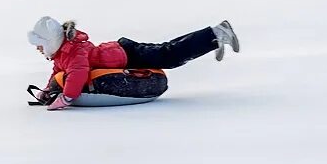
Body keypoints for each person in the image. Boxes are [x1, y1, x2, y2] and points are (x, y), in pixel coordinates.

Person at [27, 16, 239, 110]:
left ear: (51, 41)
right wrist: (47, 91)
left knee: (169, 55)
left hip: (129, 54)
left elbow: (78, 74)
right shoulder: (63, 53)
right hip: (124, 53)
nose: (38, 49)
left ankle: (216, 34)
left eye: (40, 45)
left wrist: (66, 98)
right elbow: (58, 72)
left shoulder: (75, 51)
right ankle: (212, 39)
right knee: (168, 52)